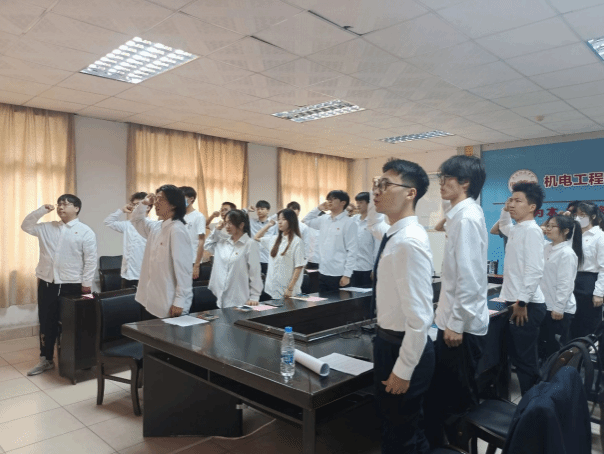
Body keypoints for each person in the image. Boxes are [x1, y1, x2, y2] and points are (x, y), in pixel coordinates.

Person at [370, 158, 435, 454]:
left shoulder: (408, 242)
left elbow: (420, 317)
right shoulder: (393, 233)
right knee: (398, 426)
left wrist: (404, 369)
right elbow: (374, 223)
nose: (377, 191)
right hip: (389, 341)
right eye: (376, 184)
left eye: (385, 185)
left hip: (403, 347)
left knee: (400, 435)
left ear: (410, 193)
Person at [424, 155, 489, 449]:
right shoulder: (461, 214)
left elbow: (470, 277)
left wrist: (456, 323)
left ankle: (459, 447)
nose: (441, 183)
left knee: (455, 400)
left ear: (465, 182)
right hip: (452, 320)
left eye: (446, 178)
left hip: (458, 327)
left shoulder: (466, 218)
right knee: (444, 395)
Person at [21, 194, 97, 376]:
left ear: (76, 208)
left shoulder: (85, 231)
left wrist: (86, 285)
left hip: (73, 284)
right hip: (48, 283)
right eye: (59, 204)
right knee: (47, 321)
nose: (61, 207)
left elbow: (91, 260)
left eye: (66, 204)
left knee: (75, 323)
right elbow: (26, 226)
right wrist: (41, 211)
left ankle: (80, 358)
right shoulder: (47, 227)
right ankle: (46, 359)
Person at [498, 182, 547, 395]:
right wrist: (505, 208)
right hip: (516, 301)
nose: (512, 204)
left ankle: (532, 404)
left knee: (525, 360)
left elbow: (534, 270)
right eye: (511, 200)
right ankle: (526, 402)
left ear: (532, 207)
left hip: (526, 305)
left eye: (518, 201)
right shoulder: (517, 229)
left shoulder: (532, 231)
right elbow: (503, 225)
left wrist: (522, 301)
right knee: (518, 356)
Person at [131, 185, 193, 319]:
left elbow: (184, 269)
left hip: (169, 302)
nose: (156, 203)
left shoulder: (177, 230)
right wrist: (144, 203)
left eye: (161, 199)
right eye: (156, 198)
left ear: (173, 204)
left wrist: (180, 300)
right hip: (151, 298)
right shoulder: (157, 226)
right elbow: (135, 220)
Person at [539, 215, 583, 359]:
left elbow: (566, 284)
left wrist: (559, 307)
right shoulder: (547, 247)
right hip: (545, 304)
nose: (548, 229)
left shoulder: (567, 253)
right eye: (548, 225)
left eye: (552, 226)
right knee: (543, 346)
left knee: (555, 349)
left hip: (558, 309)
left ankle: (557, 373)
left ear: (565, 231)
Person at [204, 209, 263, 308]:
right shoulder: (223, 242)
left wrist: (254, 297)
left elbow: (255, 272)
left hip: (239, 298)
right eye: (226, 223)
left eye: (230, 223)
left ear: (241, 225)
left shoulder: (250, 244)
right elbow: (207, 246)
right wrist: (217, 230)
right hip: (221, 296)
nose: (227, 226)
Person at [302, 190, 358, 292]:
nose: (330, 201)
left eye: (333, 199)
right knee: (323, 301)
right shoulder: (324, 219)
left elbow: (352, 251)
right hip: (323, 271)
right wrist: (319, 208)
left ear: (343, 202)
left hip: (340, 273)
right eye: (328, 199)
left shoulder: (349, 223)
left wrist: (347, 275)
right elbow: (306, 220)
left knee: (340, 302)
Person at [254, 209, 306, 299]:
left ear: (291, 221)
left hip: (287, 290)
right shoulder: (274, 239)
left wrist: (290, 288)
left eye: (283, 219)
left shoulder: (297, 241)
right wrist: (268, 225)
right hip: (271, 289)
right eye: (279, 219)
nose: (280, 222)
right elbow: (256, 237)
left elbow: (299, 267)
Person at [571, 202, 604, 339]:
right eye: (576, 215)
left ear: (593, 216)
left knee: (588, 324)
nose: (578, 218)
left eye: (582, 215)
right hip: (571, 280)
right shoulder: (572, 234)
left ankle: (587, 350)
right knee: (572, 323)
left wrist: (599, 293)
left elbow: (603, 267)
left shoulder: (599, 236)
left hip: (589, 282)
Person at [103, 192, 149, 288]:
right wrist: (121, 210)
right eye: (134, 205)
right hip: (127, 275)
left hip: (145, 275)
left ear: (148, 207)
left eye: (139, 204)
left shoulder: (152, 225)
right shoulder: (127, 225)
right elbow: (108, 221)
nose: (135, 207)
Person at [351, 192, 381, 288]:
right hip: (352, 268)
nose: (358, 205)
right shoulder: (353, 220)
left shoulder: (374, 223)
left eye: (361, 202)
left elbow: (377, 248)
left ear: (369, 204)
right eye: (357, 202)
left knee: (365, 295)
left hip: (367, 268)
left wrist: (374, 268)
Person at [179, 186, 206, 280]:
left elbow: (201, 241)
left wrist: (197, 265)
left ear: (191, 199)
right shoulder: (178, 216)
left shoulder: (199, 217)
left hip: (192, 261)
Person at [246, 200, 277, 275]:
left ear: (268, 211)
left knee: (268, 279)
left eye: (262, 209)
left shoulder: (274, 224)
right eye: (258, 209)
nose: (259, 211)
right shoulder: (251, 222)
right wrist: (247, 210)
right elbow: (237, 217)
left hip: (268, 258)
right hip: (254, 257)